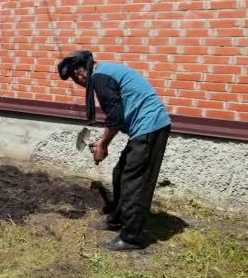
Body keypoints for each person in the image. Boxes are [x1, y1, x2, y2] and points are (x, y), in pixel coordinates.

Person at [58, 50, 171, 251]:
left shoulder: (101, 77)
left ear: (79, 72)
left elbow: (115, 118)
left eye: (75, 80)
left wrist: (103, 145)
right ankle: (117, 219)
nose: (78, 84)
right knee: (120, 173)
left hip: (151, 127)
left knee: (134, 182)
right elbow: (115, 116)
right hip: (144, 128)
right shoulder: (105, 72)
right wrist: (102, 141)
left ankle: (131, 237)